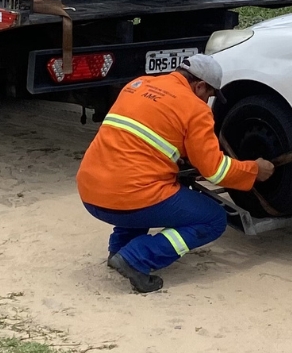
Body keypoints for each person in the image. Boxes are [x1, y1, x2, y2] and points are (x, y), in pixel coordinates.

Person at [76, 53, 275, 292]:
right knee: (212, 219)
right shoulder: (195, 109)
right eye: (209, 94)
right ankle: (137, 258)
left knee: (141, 182)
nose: (208, 101)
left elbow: (146, 139)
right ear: (199, 85)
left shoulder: (137, 85)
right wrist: (254, 170)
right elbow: (216, 171)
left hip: (90, 193)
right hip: (128, 199)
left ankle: (120, 250)